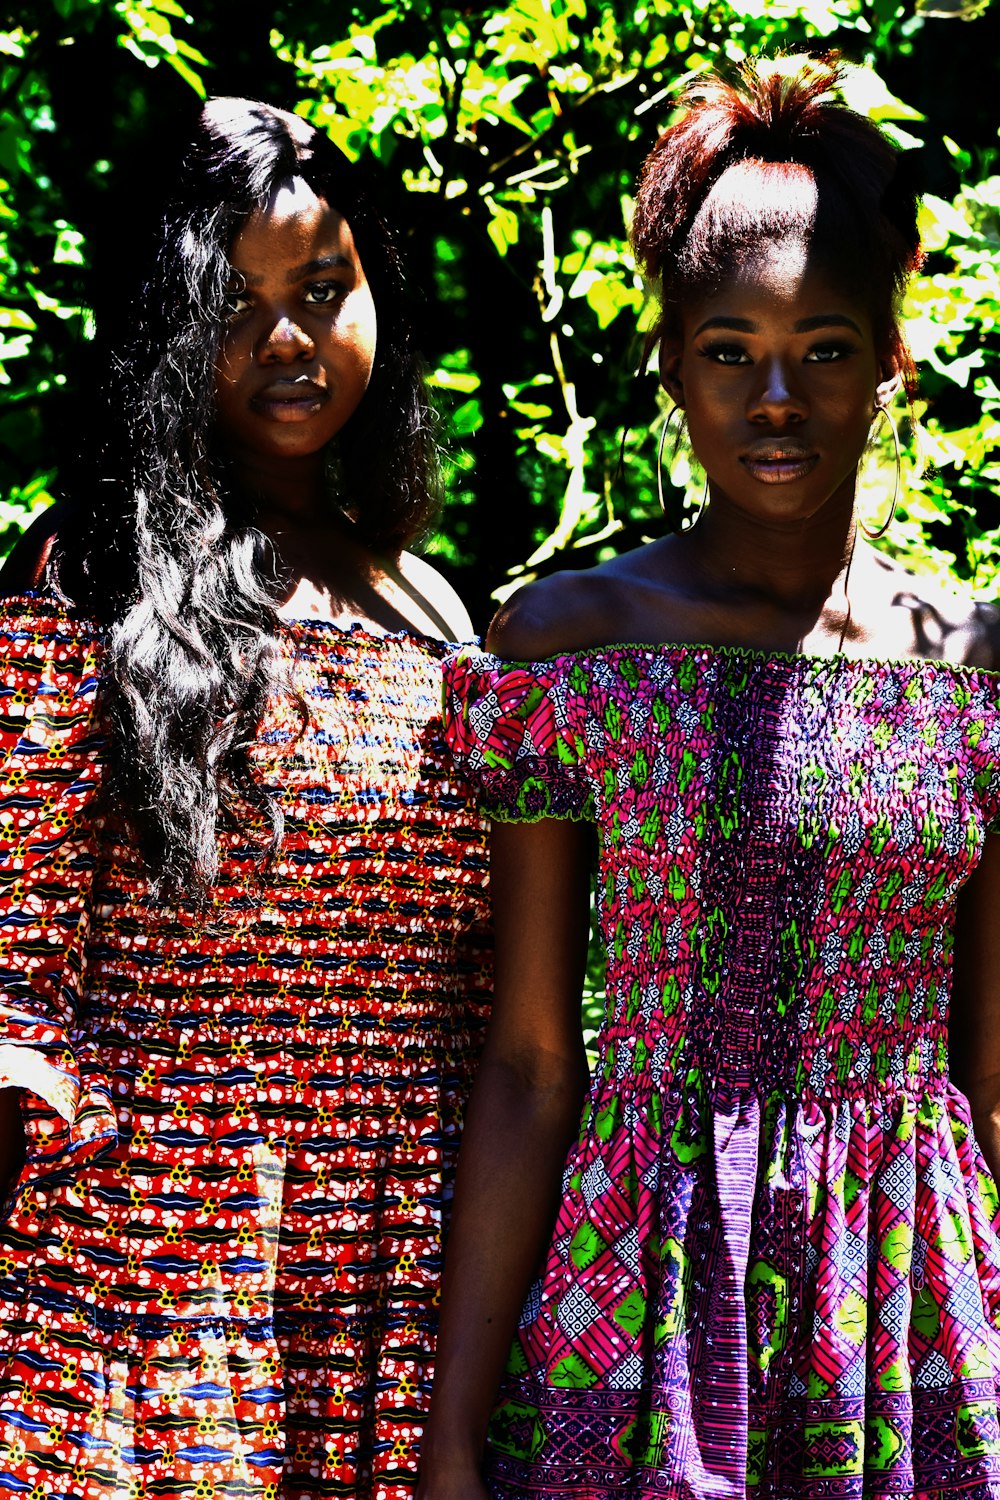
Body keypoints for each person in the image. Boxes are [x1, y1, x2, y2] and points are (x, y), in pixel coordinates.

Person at [419, 56, 1000, 1500]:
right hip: (650, 1289)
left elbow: (993, 1064)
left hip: (913, 1299)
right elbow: (533, 1059)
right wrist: (447, 1437)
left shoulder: (976, 657)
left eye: (827, 346)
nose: (779, 395)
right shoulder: (572, 642)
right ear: (671, 365)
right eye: (729, 349)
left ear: (892, 362)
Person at [0, 98, 492, 1500]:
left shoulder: (435, 608)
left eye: (323, 290)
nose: (289, 338)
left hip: (404, 1275)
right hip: (159, 1278)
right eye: (236, 301)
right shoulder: (88, 581)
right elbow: (17, 986)